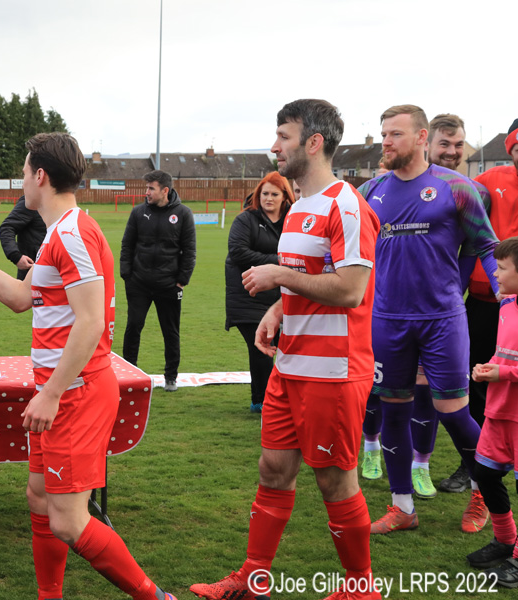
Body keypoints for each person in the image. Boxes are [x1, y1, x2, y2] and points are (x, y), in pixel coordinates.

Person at [0, 131, 176, 600]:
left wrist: (52, 392)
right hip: (62, 389)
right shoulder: (57, 233)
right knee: (39, 500)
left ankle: (155, 597)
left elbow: (89, 321)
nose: (22, 179)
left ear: (40, 175)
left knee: (68, 519)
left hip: (76, 392)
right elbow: (23, 298)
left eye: (24, 170)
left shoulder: (74, 233)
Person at [191, 99, 381, 600]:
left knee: (335, 483)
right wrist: (279, 310)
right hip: (292, 365)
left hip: (334, 372)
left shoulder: (347, 204)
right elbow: (309, 281)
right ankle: (253, 580)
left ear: (313, 143)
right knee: (273, 470)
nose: (274, 146)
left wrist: (278, 276)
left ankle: (360, 587)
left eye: (283, 136)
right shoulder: (300, 206)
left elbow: (351, 290)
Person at [359, 105, 499, 536]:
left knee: (453, 410)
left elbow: (487, 248)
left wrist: (507, 299)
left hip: (443, 319)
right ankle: (402, 506)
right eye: (383, 134)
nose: (386, 142)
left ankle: (483, 492)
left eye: (395, 134)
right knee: (393, 409)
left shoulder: (457, 189)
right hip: (387, 320)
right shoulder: (369, 191)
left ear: (421, 138)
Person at [453, 118, 518, 494]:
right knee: (477, 381)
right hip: (484, 299)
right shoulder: (491, 181)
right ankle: (475, 464)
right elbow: (459, 210)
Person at [466, 236, 518, 587]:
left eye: (501, 269)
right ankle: (505, 539)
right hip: (499, 412)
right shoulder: (507, 306)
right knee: (484, 473)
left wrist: (507, 372)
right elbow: (506, 354)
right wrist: (489, 366)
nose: (494, 275)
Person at [225, 172, 295, 413]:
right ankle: (261, 401)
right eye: (264, 193)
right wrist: (279, 262)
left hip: (282, 295)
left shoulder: (293, 219)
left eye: (274, 194)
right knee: (261, 348)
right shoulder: (246, 219)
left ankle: (278, 398)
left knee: (280, 348)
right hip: (248, 295)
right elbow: (238, 252)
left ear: (285, 196)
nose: (269, 198)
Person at [120, 170, 196, 392]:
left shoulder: (183, 214)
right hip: (139, 283)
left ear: (165, 190)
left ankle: (171, 377)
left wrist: (181, 280)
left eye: (151, 188)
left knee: (170, 331)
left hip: (169, 285)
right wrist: (127, 275)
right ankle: (129, 375)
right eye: (147, 188)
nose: (147, 193)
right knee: (134, 326)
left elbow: (189, 251)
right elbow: (127, 245)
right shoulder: (138, 213)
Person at [0, 195, 46, 280]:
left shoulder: (60, 204)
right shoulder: (32, 203)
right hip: (32, 275)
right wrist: (16, 256)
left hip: (57, 274)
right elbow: (7, 228)